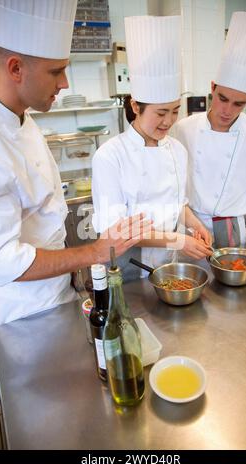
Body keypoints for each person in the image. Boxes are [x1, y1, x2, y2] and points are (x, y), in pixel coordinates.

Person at [0, 0, 152, 335]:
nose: (65, 84)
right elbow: (3, 260)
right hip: (23, 313)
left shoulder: (22, 116)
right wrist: (95, 252)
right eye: (56, 71)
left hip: (57, 292)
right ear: (16, 68)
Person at [92, 15, 212, 276]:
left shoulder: (177, 151)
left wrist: (194, 224)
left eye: (175, 111)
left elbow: (177, 203)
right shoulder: (110, 156)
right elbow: (116, 230)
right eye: (160, 113)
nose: (168, 121)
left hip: (168, 262)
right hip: (126, 267)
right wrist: (179, 240)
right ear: (136, 106)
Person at [175, 11, 246, 248]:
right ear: (213, 87)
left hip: (232, 227)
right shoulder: (184, 129)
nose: (227, 110)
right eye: (223, 98)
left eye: (238, 104)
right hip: (190, 224)